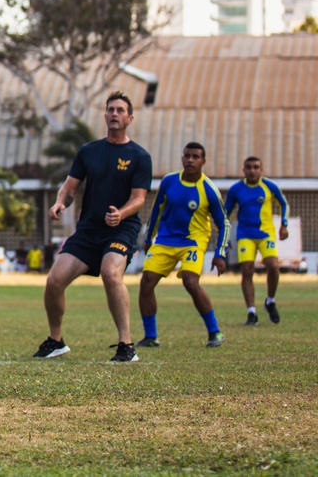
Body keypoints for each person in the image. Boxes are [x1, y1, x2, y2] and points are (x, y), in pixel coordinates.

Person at [34, 91, 152, 363]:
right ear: (105, 115)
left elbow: (139, 199)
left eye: (120, 110)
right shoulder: (88, 151)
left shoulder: (139, 156)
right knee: (54, 281)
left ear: (129, 118)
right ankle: (56, 340)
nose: (114, 114)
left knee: (111, 273)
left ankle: (126, 344)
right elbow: (69, 187)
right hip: (88, 230)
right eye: (110, 109)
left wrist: (120, 214)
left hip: (121, 229)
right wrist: (59, 203)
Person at [136, 142, 230, 349]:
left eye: (196, 157)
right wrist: (148, 238)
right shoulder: (169, 181)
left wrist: (220, 253)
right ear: (182, 158)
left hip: (193, 242)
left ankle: (214, 332)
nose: (190, 160)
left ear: (203, 161)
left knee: (190, 281)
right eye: (187, 156)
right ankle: (151, 336)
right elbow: (156, 210)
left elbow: (223, 222)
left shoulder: (209, 190)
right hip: (165, 240)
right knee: (146, 282)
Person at [224, 156, 289, 326]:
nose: (252, 170)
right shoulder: (236, 189)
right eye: (249, 167)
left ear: (261, 169)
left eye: (256, 167)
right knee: (247, 269)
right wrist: (224, 237)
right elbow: (226, 214)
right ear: (244, 170)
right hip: (245, 234)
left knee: (274, 267)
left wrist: (284, 225)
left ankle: (270, 301)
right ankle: (251, 312)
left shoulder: (269, 186)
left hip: (266, 233)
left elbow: (284, 204)